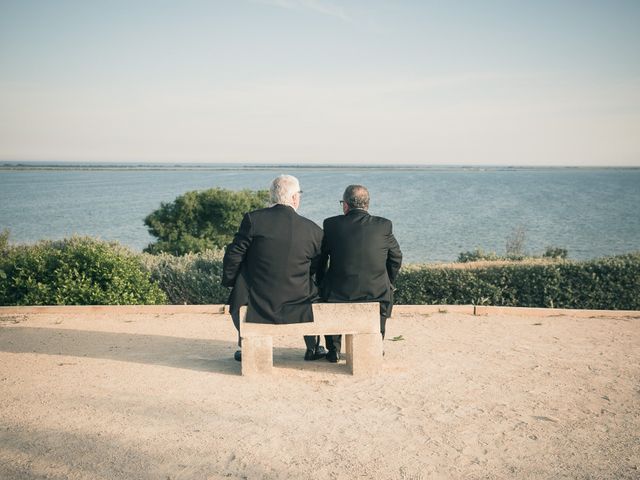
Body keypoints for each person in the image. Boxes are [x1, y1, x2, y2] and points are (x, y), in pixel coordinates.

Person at [222, 174, 326, 362]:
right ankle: (313, 347)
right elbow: (316, 266)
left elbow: (234, 254)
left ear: (273, 196)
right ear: (294, 198)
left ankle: (247, 345)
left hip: (257, 296)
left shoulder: (253, 220)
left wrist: (231, 281)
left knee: (239, 294)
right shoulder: (314, 230)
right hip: (299, 296)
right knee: (312, 289)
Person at [317, 184, 402, 363]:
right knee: (385, 292)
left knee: (329, 292)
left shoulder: (331, 224)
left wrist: (320, 281)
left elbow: (321, 259)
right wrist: (388, 281)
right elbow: (396, 257)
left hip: (338, 293)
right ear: (367, 205)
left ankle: (333, 350)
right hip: (375, 292)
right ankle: (376, 344)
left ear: (346, 205)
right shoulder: (384, 225)